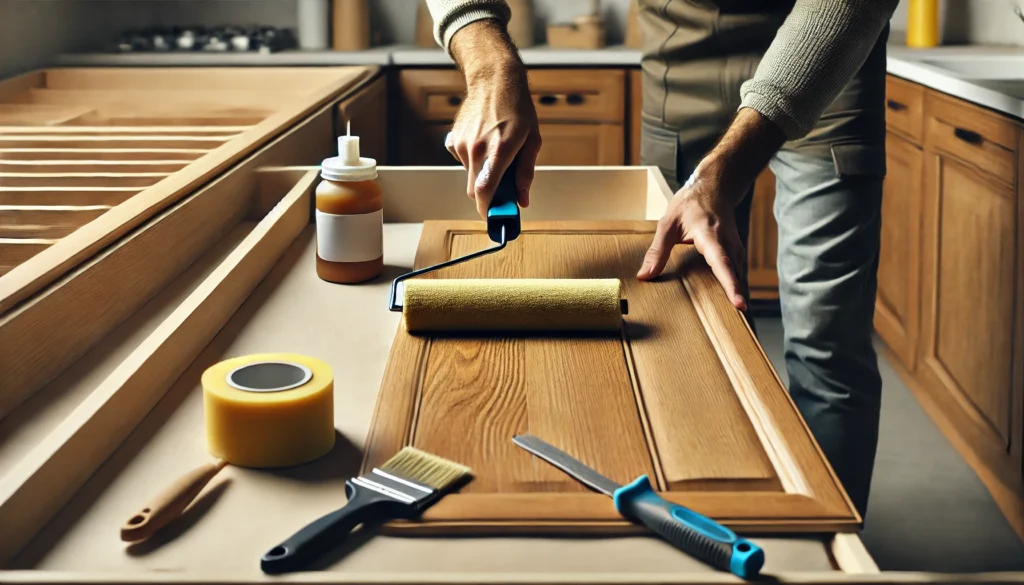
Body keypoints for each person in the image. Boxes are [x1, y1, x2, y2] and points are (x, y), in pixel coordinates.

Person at [424, 0, 900, 520]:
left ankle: (828, 554)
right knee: (678, 327)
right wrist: (492, 65)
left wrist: (728, 166)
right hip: (682, 60)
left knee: (827, 345)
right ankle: (709, 511)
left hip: (831, 52)